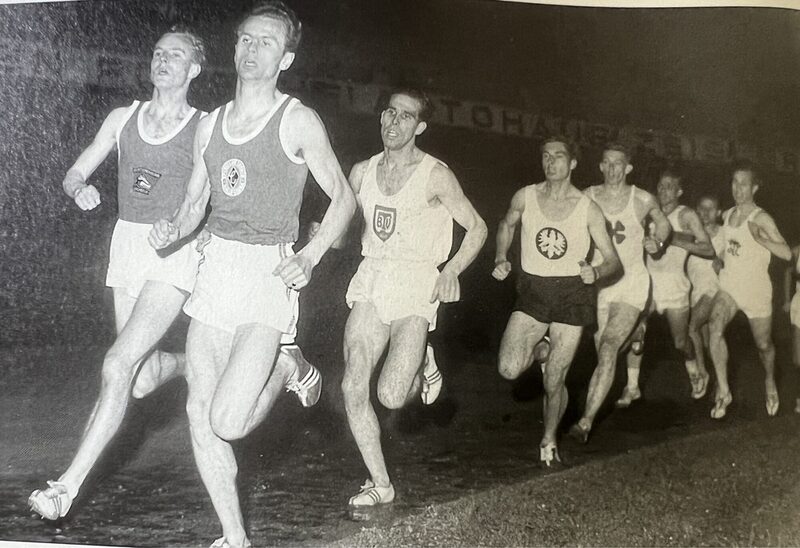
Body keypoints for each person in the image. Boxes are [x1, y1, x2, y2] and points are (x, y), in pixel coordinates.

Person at [149, 3, 356, 547]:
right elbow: (197, 201)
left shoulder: (297, 119)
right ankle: (234, 537)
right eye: (245, 39)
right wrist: (174, 227)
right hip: (217, 269)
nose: (251, 49)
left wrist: (309, 257)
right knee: (199, 410)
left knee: (230, 421)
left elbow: (344, 199)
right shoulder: (211, 124)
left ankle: (289, 368)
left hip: (268, 273)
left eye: (266, 42)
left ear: (286, 58)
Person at [28, 27, 208, 521]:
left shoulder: (204, 126)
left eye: (176, 55)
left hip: (172, 252)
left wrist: (183, 227)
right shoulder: (121, 118)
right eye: (157, 53)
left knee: (115, 365)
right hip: (127, 247)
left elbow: (202, 196)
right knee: (142, 378)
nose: (163, 61)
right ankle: (196, 363)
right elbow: (75, 171)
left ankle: (65, 487)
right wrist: (77, 187)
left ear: (194, 69)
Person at [341, 89, 487, 509]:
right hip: (372, 274)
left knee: (390, 395)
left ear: (420, 126)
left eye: (405, 116)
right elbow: (342, 224)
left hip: (416, 280)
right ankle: (380, 482)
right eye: (389, 112)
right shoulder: (361, 171)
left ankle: (424, 360)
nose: (393, 121)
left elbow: (477, 228)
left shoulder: (436, 174)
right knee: (353, 381)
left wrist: (452, 270)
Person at [493, 136, 621, 466]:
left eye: (559, 156)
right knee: (508, 368)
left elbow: (612, 260)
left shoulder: (588, 208)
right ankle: (542, 349)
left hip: (572, 293)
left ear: (573, 163)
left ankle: (549, 438)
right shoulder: (526, 196)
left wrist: (597, 272)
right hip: (534, 290)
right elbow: (506, 224)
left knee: (554, 379)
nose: (551, 162)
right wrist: (500, 257)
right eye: (546, 156)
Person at [569, 143, 671, 442]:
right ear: (600, 166)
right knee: (605, 347)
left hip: (631, 282)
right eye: (607, 163)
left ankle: (585, 423)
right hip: (600, 285)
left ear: (628, 168)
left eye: (618, 164)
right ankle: (637, 331)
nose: (612, 169)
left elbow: (663, 224)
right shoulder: (587, 196)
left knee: (609, 346)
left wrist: (658, 243)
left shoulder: (640, 199)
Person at [707, 162, 791, 419]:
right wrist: (719, 257)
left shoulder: (761, 218)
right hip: (730, 285)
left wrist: (761, 239)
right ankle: (724, 390)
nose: (737, 188)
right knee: (714, 325)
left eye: (743, 183)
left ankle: (769, 380)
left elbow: (786, 253)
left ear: (754, 187)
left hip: (756, 291)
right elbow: (726, 246)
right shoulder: (728, 214)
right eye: (734, 182)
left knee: (763, 344)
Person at [641, 170, 714, 399]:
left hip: (675, 286)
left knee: (680, 342)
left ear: (679, 191)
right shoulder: (649, 213)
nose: (663, 190)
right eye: (660, 186)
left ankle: (695, 373)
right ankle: (632, 385)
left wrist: (672, 238)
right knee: (634, 326)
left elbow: (708, 249)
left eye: (669, 186)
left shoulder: (686, 215)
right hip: (649, 284)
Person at [687, 194, 726, 390]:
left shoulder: (725, 233)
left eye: (710, 209)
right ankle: (721, 383)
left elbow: (736, 257)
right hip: (696, 291)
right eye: (701, 208)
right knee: (708, 342)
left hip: (714, 290)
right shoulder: (691, 233)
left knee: (691, 327)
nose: (705, 213)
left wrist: (723, 263)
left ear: (718, 212)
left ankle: (703, 374)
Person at [783, 245, 800, 414]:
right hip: (799, 304)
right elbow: (788, 273)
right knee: (798, 358)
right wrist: (787, 300)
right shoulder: (796, 252)